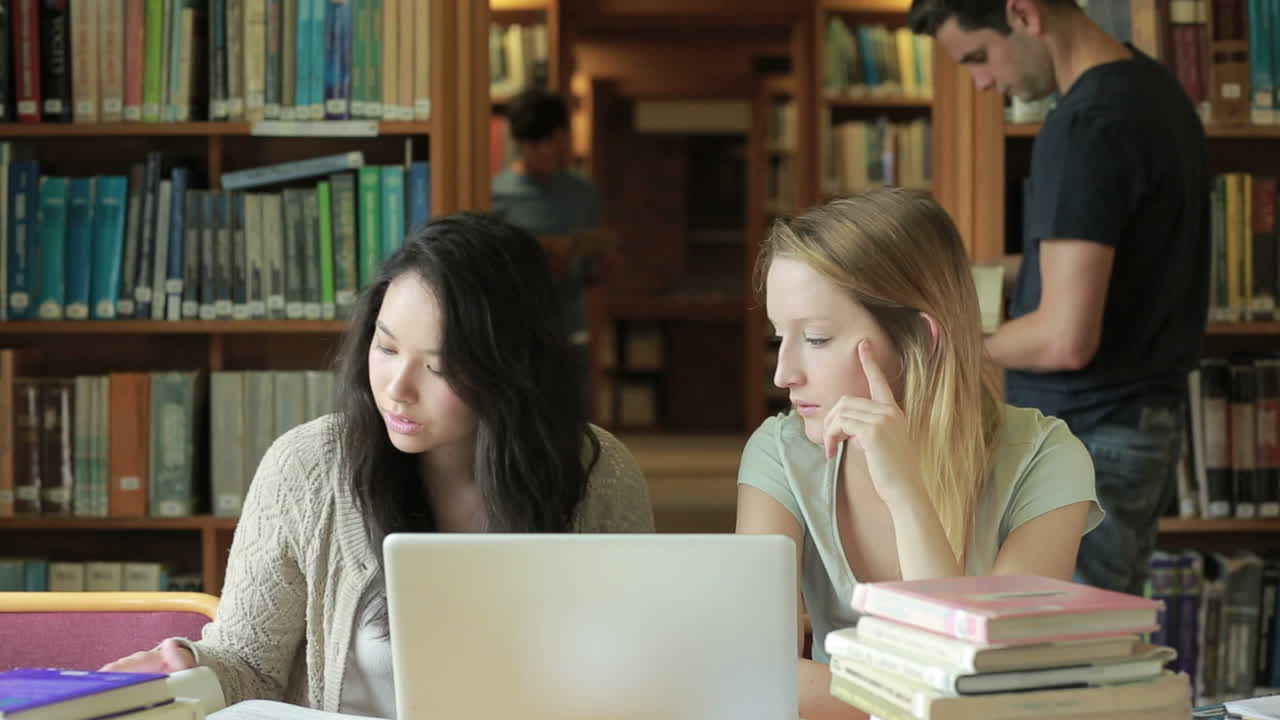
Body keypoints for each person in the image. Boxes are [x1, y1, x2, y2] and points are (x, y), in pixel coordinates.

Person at [101, 213, 655, 716]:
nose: (397, 389)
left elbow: (632, 676)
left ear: (511, 369)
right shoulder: (307, 469)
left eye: (439, 367)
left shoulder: (598, 473)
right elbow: (248, 667)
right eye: (386, 348)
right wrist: (193, 664)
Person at [735, 189, 1104, 720]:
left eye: (815, 339)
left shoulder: (1047, 460)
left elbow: (984, 685)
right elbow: (755, 673)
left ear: (919, 339)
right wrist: (921, 694)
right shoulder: (780, 453)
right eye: (779, 338)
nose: (783, 374)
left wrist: (906, 493)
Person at [907, 0, 1210, 596]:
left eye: (978, 56)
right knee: (1084, 627)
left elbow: (1064, 337)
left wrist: (943, 346)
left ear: (1024, 14)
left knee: (1054, 635)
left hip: (1092, 432)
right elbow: (1102, 266)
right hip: (1132, 421)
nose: (982, 81)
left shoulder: (1086, 125)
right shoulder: (1153, 91)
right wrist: (978, 275)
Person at [492, 87, 606, 416]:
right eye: (535, 143)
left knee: (575, 420)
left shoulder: (581, 193)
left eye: (552, 141)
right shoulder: (495, 194)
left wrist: (596, 259)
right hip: (515, 330)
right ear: (519, 142)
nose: (544, 151)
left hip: (569, 326)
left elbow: (593, 272)